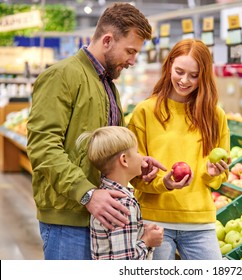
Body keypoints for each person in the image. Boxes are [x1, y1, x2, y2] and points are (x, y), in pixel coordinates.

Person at [26, 2, 166, 260]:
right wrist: (87, 193)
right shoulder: (62, 76)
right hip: (68, 220)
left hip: (99, 218)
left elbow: (109, 149)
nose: (133, 61)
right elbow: (43, 147)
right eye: (130, 51)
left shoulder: (107, 85)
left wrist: (135, 164)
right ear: (108, 40)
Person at [128, 39, 231, 260]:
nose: (184, 81)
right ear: (169, 67)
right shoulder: (145, 112)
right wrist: (162, 182)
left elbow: (220, 173)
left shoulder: (215, 116)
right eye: (179, 71)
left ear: (204, 76)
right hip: (154, 221)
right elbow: (135, 175)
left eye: (194, 75)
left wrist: (211, 173)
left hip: (199, 221)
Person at [76, 126, 164, 260]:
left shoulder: (105, 195)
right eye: (137, 152)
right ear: (124, 160)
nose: (142, 158)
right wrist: (147, 241)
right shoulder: (123, 204)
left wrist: (140, 232)